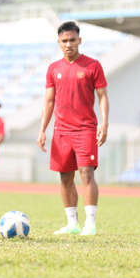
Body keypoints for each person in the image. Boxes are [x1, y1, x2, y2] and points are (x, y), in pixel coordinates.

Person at [37, 21, 109, 236]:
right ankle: (72, 224)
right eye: (64, 41)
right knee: (65, 177)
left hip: (86, 129)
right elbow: (49, 101)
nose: (69, 44)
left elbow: (103, 96)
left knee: (86, 173)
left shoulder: (93, 66)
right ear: (59, 42)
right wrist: (43, 129)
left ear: (79, 40)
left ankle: (91, 224)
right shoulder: (53, 68)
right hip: (61, 131)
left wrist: (104, 123)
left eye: (72, 40)